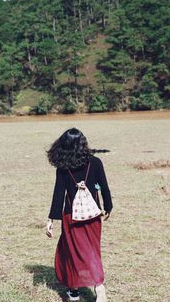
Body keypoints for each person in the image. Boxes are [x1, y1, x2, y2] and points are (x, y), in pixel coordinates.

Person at [46, 128, 113, 302]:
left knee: (72, 252)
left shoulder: (63, 168)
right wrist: (108, 206)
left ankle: (75, 291)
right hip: (93, 215)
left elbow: (58, 194)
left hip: (72, 217)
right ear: (83, 143)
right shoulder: (96, 162)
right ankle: (99, 287)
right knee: (92, 251)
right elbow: (104, 187)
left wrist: (51, 219)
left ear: (64, 145)